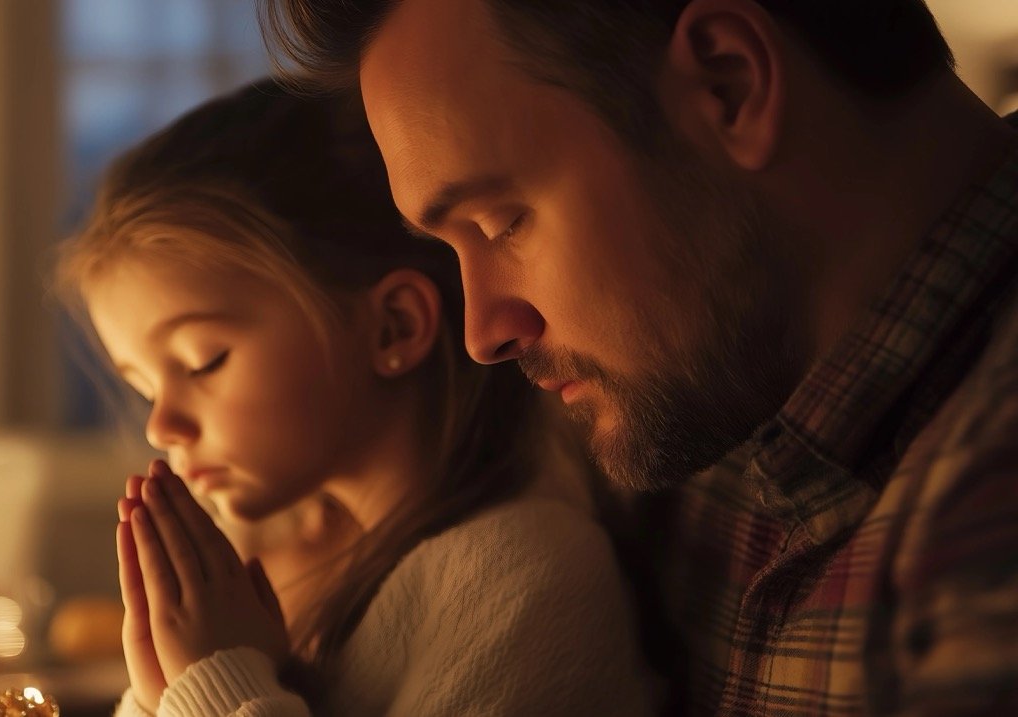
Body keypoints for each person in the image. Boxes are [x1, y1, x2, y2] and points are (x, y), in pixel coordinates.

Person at [258, 0, 1018, 713]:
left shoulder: (980, 537)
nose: (484, 331)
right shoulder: (706, 380)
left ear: (730, 85)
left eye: (501, 222)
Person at [54, 81, 656, 717]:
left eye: (204, 361)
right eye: (143, 386)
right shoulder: (248, 575)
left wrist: (218, 680)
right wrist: (161, 691)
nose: (160, 424)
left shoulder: (526, 576)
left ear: (392, 327)